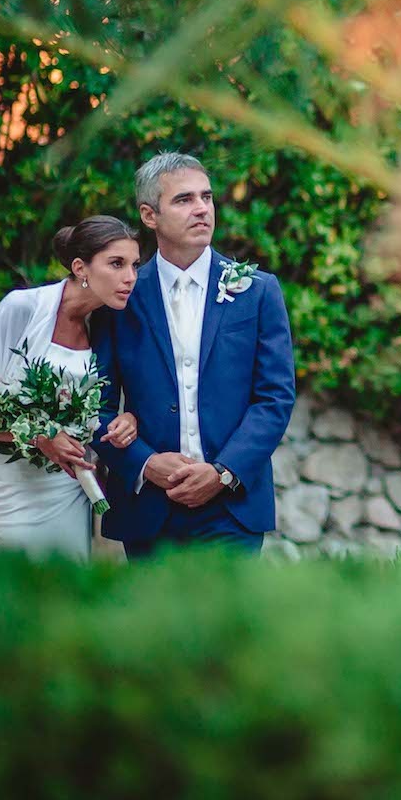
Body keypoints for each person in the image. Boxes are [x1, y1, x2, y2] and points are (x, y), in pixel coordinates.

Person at [90, 152, 295, 557]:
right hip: (148, 507)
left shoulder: (257, 291)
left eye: (206, 197)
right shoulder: (119, 297)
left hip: (231, 509)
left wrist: (223, 472)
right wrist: (146, 463)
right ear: (150, 216)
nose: (201, 208)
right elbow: (94, 405)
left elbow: (275, 398)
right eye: (184, 200)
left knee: (228, 622)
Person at [0, 216, 143, 558]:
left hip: (67, 493)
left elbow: (101, 408)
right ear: (80, 268)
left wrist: (129, 419)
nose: (130, 277)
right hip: (9, 490)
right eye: (116, 264)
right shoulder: (22, 308)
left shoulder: (109, 324)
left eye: (134, 265)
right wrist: (41, 437)